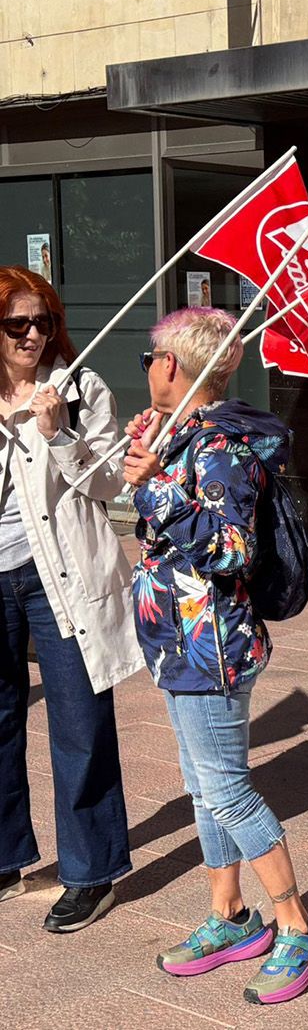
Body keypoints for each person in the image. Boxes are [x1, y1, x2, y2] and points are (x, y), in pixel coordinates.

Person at [123, 308, 308, 1004]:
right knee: (204, 784)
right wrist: (153, 464)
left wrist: (157, 483)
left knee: (227, 788)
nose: (148, 367)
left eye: (151, 357)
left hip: (211, 644)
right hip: (181, 644)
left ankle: (299, 926)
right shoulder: (185, 435)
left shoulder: (219, 446)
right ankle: (229, 916)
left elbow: (231, 549)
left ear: (175, 365)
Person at [0, 266, 136, 933]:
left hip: (58, 576)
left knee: (80, 723)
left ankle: (91, 872)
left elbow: (111, 482)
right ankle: (4, 856)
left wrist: (58, 435)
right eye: (18, 323)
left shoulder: (80, 390)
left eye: (44, 321)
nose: (34, 334)